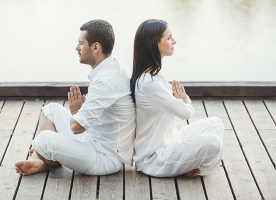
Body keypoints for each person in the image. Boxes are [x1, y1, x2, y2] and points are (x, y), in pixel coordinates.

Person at [15, 19, 136, 176]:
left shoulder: (106, 81)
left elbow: (76, 127)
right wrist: (80, 113)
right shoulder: (111, 67)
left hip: (104, 157)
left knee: (44, 139)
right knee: (50, 110)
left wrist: (76, 111)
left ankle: (40, 157)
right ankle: (40, 159)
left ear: (96, 47)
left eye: (81, 43)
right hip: (91, 139)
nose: (76, 48)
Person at [130, 19, 224, 177]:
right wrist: (183, 101)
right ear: (155, 44)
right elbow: (185, 113)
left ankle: (195, 165)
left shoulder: (154, 74)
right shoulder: (149, 84)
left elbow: (182, 108)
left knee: (216, 123)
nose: (174, 41)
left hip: (171, 140)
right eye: (168, 38)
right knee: (214, 143)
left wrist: (182, 102)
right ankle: (200, 169)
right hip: (155, 159)